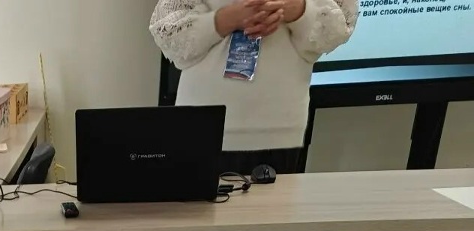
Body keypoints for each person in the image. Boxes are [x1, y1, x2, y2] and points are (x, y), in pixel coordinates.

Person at [149, 0, 358, 174]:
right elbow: (168, 32)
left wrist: (298, 9)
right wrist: (228, 17)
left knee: (274, 212)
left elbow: (339, 27)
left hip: (280, 129)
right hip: (200, 126)